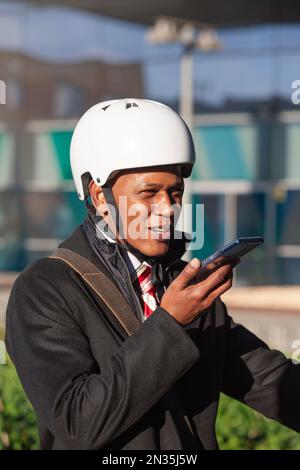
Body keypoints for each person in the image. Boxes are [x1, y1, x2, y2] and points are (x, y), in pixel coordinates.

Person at [5, 99, 300, 450]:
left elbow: (266, 379)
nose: (167, 209)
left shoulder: (183, 287)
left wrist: (180, 313)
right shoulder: (45, 289)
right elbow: (76, 423)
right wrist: (171, 322)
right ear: (100, 195)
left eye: (175, 192)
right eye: (148, 193)